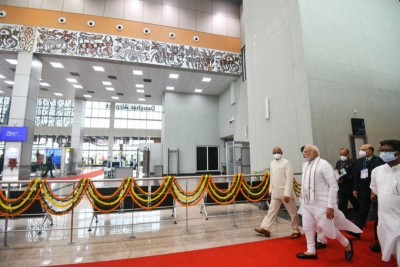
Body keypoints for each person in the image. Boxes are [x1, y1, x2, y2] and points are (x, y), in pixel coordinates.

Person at [296, 145, 361, 261]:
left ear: (314, 153)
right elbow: (304, 184)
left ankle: (346, 244)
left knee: (326, 227)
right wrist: (302, 201)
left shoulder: (324, 164)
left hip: (322, 202)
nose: (303, 154)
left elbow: (333, 185)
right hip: (307, 202)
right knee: (307, 226)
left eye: (306, 152)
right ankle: (311, 250)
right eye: (303, 152)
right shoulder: (305, 165)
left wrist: (330, 205)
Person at [254, 147, 301, 239]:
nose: (276, 153)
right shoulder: (272, 163)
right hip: (275, 193)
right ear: (272, 153)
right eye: (274, 152)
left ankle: (296, 230)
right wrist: (270, 191)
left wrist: (287, 193)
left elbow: (289, 179)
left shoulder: (287, 163)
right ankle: (265, 228)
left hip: (285, 193)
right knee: (271, 211)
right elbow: (272, 178)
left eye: (278, 152)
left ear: (282, 152)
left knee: (292, 213)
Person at [370, 139, 400, 267]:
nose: (383, 153)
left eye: (387, 151)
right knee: (390, 248)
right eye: (381, 151)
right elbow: (374, 189)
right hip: (385, 218)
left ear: (398, 153)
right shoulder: (377, 171)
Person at [348, 144, 384, 239]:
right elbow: (356, 176)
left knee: (377, 212)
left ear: (370, 150)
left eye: (363, 149)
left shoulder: (378, 161)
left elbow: (380, 176)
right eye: (360, 149)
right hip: (363, 189)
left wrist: (374, 190)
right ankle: (356, 231)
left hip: (375, 189)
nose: (361, 151)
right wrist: (355, 188)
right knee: (362, 210)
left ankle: (379, 235)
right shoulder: (359, 162)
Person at [335, 148, 359, 217]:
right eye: (341, 154)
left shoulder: (353, 162)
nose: (342, 156)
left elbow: (354, 176)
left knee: (356, 204)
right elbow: (337, 172)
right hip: (341, 187)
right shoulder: (339, 162)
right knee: (342, 205)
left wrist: (343, 178)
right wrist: (337, 177)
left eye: (344, 154)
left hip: (350, 187)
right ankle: (343, 219)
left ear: (348, 154)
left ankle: (360, 218)